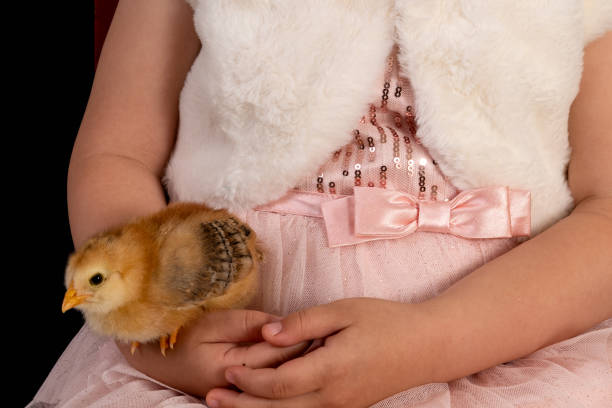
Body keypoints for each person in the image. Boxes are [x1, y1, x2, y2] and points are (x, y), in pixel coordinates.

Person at [29, 0, 612, 407]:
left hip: (501, 345)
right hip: (219, 351)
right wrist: (157, 335)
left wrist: (436, 337)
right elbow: (115, 154)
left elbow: (604, 212)